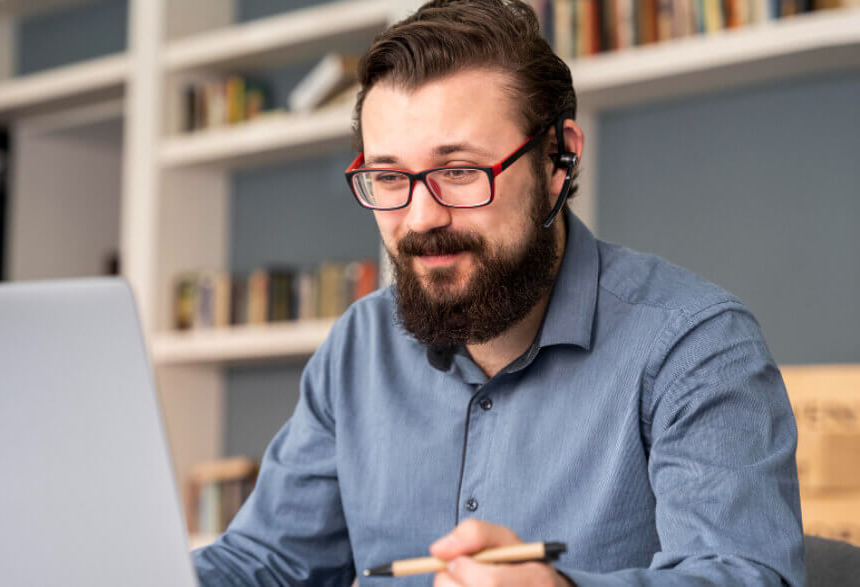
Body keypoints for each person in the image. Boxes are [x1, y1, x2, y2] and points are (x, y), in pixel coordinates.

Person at [192, 0, 804, 584]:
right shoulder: (359, 344)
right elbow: (266, 566)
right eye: (389, 176)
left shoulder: (695, 344)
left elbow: (744, 574)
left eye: (459, 171)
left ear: (558, 159)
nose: (421, 216)